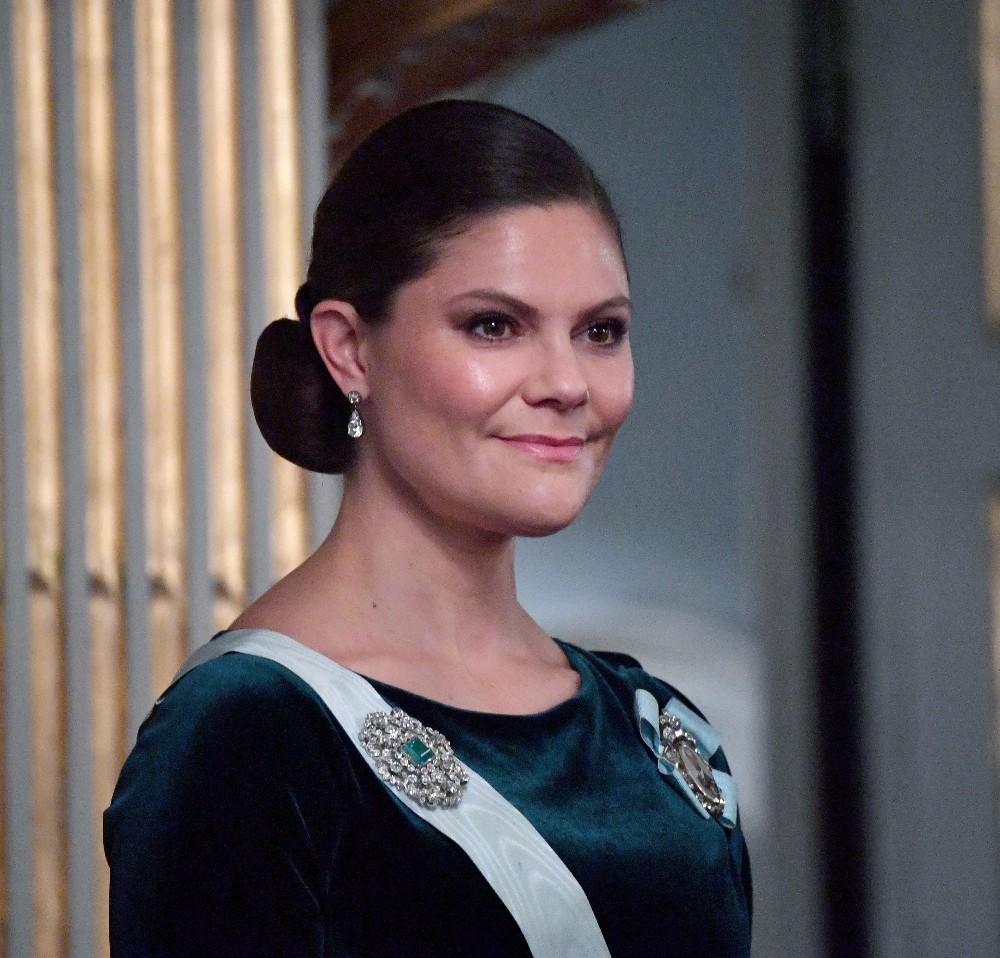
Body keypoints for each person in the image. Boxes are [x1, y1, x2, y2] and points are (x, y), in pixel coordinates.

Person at [104, 99, 752, 957]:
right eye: (494, 325)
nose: (567, 383)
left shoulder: (657, 727)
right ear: (349, 349)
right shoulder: (249, 734)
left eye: (601, 331)